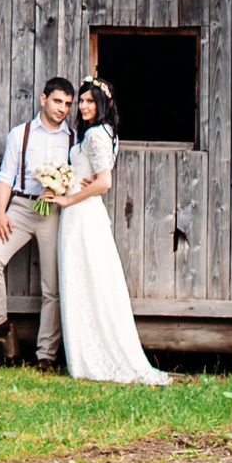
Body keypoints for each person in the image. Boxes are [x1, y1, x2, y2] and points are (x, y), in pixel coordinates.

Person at [57, 79, 169, 386]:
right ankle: (84, 350)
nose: (83, 106)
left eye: (90, 101)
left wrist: (67, 197)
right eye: (81, 101)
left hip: (82, 213)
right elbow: (96, 177)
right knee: (86, 279)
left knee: (86, 278)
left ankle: (93, 356)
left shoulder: (95, 134)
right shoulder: (103, 133)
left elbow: (104, 183)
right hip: (84, 211)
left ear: (103, 103)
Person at [0, 76, 75, 365]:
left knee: (51, 287)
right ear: (43, 99)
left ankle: (46, 356)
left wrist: (61, 187)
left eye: (67, 103)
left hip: (53, 214)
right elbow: (6, 175)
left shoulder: (73, 139)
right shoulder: (21, 133)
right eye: (57, 101)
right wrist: (0, 212)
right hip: (20, 208)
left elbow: (79, 180)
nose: (62, 108)